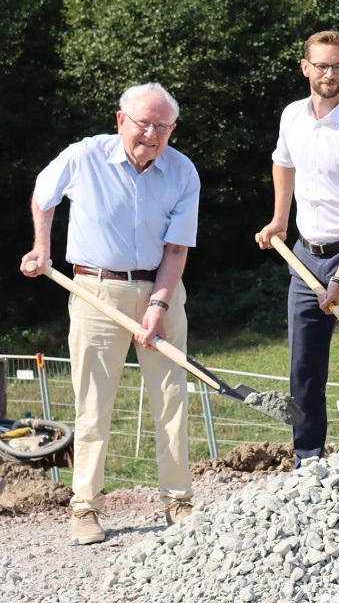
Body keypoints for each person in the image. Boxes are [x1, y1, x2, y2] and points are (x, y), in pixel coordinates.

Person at [20, 83, 199, 544]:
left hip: (162, 286)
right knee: (93, 403)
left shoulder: (182, 172)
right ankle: (85, 508)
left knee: (171, 397)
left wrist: (159, 305)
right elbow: (44, 194)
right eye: (143, 123)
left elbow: (176, 250)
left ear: (172, 129)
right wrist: (42, 246)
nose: (151, 134)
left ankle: (178, 502)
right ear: (121, 121)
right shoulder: (84, 157)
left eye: (162, 126)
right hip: (96, 290)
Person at [256, 30, 339, 464]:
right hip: (303, 257)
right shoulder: (292, 116)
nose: (328, 74)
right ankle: (307, 458)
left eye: (337, 66)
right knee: (303, 370)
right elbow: (283, 161)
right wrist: (279, 219)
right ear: (305, 68)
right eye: (320, 65)